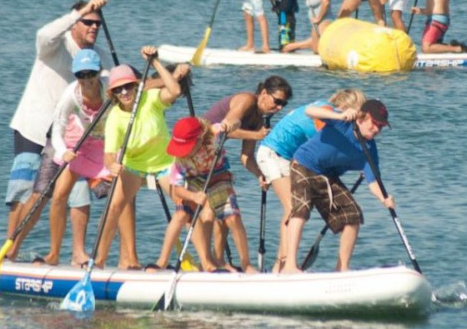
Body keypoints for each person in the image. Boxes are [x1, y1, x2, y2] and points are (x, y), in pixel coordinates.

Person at [5, 0, 110, 261]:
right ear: (75, 22)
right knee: (27, 192)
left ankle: (77, 253)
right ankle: (9, 252)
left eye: (98, 23)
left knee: (79, 193)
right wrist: (81, 11)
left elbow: (118, 83)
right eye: (88, 21)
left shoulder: (100, 56)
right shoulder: (55, 45)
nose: (94, 27)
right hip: (34, 130)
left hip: (72, 137)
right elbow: (43, 33)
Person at [93, 47, 189, 270]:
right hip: (134, 165)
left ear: (137, 86)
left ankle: (207, 261)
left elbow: (174, 90)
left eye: (128, 86)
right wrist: (112, 166)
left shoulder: (150, 98)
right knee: (113, 207)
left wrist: (155, 62)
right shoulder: (115, 118)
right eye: (119, 90)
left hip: (165, 163)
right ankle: (98, 261)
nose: (125, 92)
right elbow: (108, 155)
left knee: (186, 206)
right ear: (113, 94)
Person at [255, 88, 366, 272]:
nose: (357, 118)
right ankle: (282, 266)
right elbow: (326, 146)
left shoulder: (328, 109)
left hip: (286, 158)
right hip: (275, 154)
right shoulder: (327, 112)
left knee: (298, 208)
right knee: (293, 208)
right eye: (357, 112)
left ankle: (281, 267)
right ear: (347, 107)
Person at [280, 100, 396, 274]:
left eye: (381, 126)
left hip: (327, 176)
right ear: (361, 117)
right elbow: (310, 111)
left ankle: (342, 269)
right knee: (301, 210)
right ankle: (289, 266)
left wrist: (384, 199)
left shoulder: (369, 150)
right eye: (375, 123)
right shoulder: (343, 123)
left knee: (353, 217)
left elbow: (373, 182)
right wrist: (339, 114)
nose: (377, 129)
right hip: (303, 164)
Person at [26, 49, 111, 267]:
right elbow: (58, 129)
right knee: (60, 195)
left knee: (119, 197)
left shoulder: (110, 87)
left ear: (98, 73)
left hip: (105, 146)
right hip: (77, 145)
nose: (86, 80)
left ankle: (115, 258)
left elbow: (137, 86)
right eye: (81, 75)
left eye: (90, 74)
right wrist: (63, 151)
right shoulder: (70, 95)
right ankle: (54, 254)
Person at [147, 117, 258, 274]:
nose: (183, 152)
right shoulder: (179, 160)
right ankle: (162, 261)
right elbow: (177, 189)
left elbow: (237, 122)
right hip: (194, 183)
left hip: (219, 178)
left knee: (232, 217)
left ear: (199, 138)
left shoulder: (213, 133)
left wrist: (230, 124)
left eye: (186, 146)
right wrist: (193, 197)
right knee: (180, 215)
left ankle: (246, 264)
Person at [203, 75, 292, 266]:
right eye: (277, 102)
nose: (279, 108)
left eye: (283, 104)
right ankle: (209, 262)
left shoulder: (259, 119)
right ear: (263, 94)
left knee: (227, 212)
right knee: (213, 211)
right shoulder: (246, 100)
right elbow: (225, 127)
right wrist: (257, 134)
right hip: (197, 152)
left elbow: (246, 157)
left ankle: (219, 261)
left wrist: (261, 174)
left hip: (215, 158)